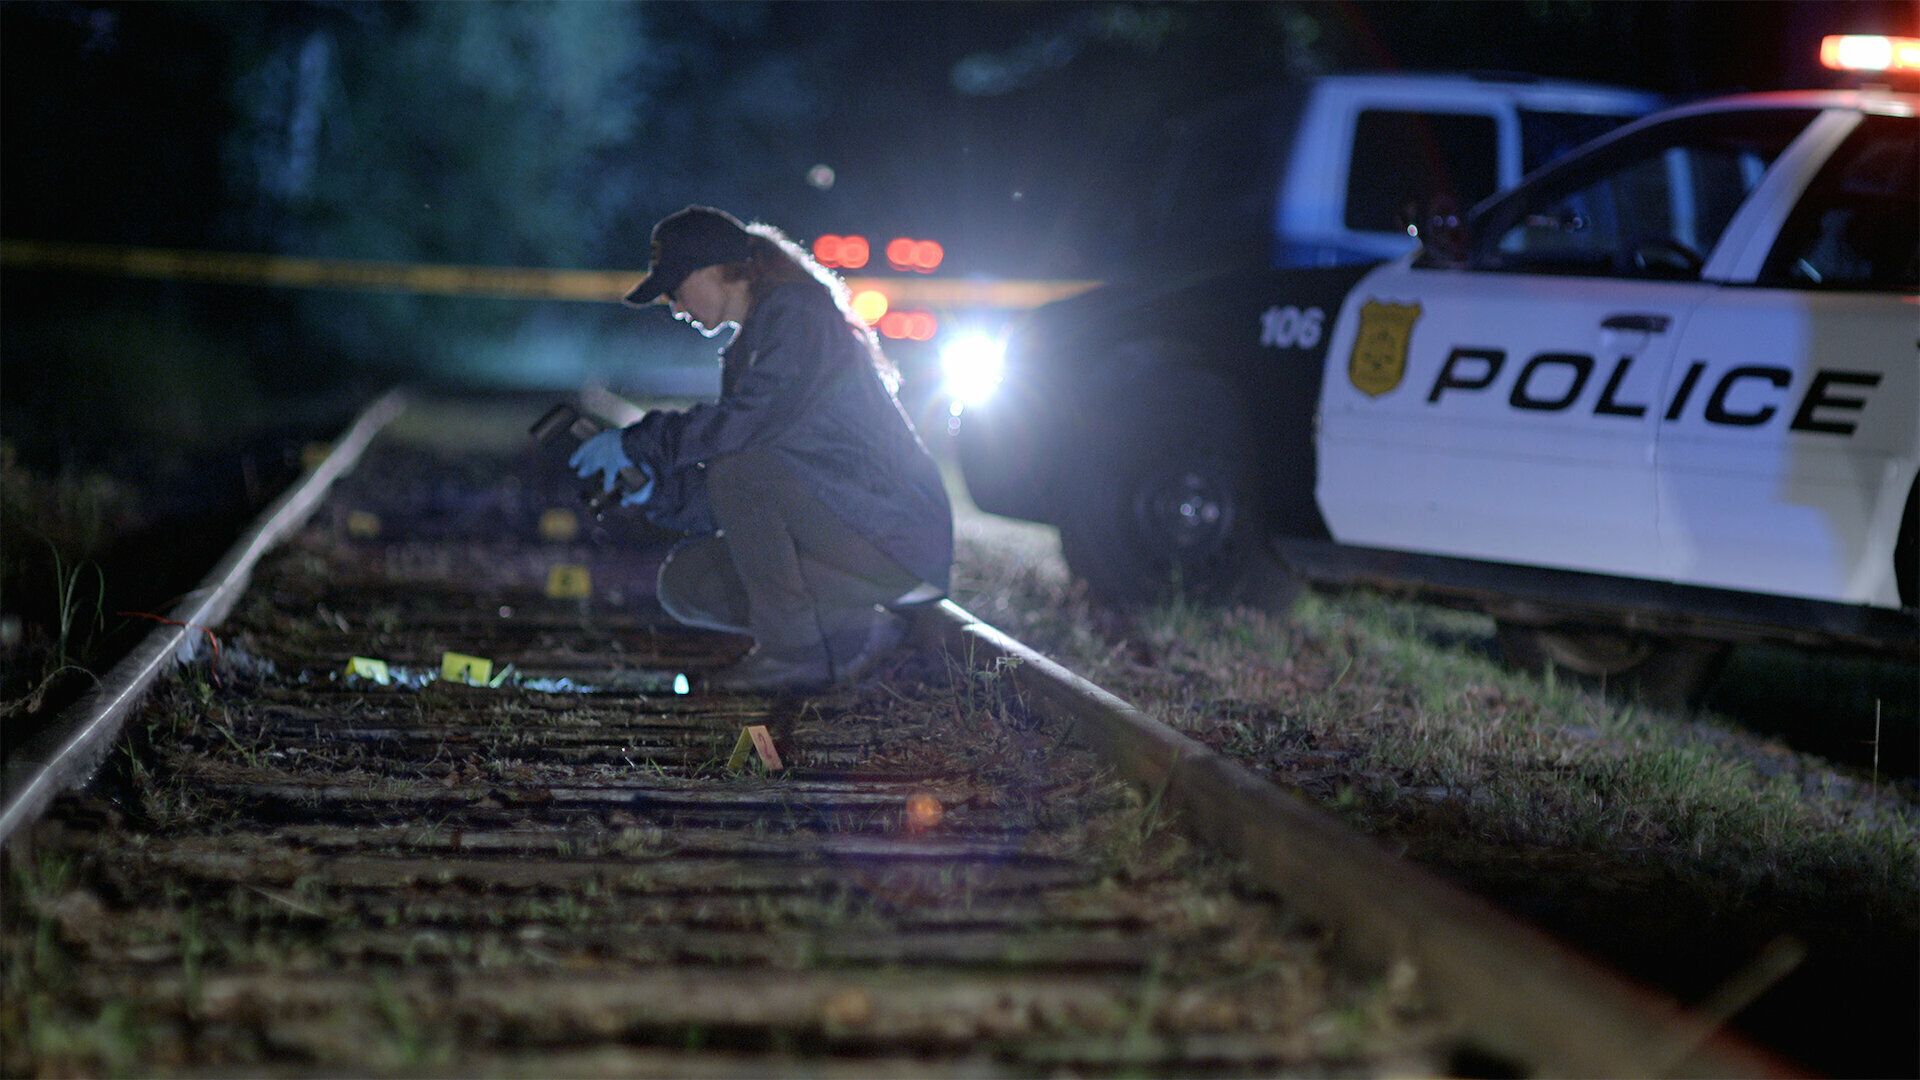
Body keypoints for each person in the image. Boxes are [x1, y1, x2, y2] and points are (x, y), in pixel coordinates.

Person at [569, 206, 952, 692]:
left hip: (895, 536)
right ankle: (860, 635)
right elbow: (744, 502)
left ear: (713, 270)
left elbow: (744, 438)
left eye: (675, 287)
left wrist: (639, 438)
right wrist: (656, 493)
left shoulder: (798, 318)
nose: (674, 305)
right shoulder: (754, 341)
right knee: (688, 582)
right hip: (848, 533)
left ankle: (794, 656)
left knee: (740, 463)